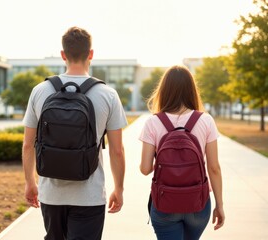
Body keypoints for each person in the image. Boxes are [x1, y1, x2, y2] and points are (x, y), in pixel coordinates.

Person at [22, 26, 127, 240]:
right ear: (91, 54)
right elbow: (117, 150)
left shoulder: (40, 91)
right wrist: (119, 188)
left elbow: (27, 145)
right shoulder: (108, 95)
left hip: (51, 194)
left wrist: (30, 182)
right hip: (90, 195)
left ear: (63, 55)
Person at [139, 65, 225, 240]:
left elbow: (145, 169)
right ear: (192, 90)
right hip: (198, 204)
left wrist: (166, 164)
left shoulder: (153, 122)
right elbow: (214, 168)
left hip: (164, 203)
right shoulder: (206, 120)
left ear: (164, 90)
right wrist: (219, 205)